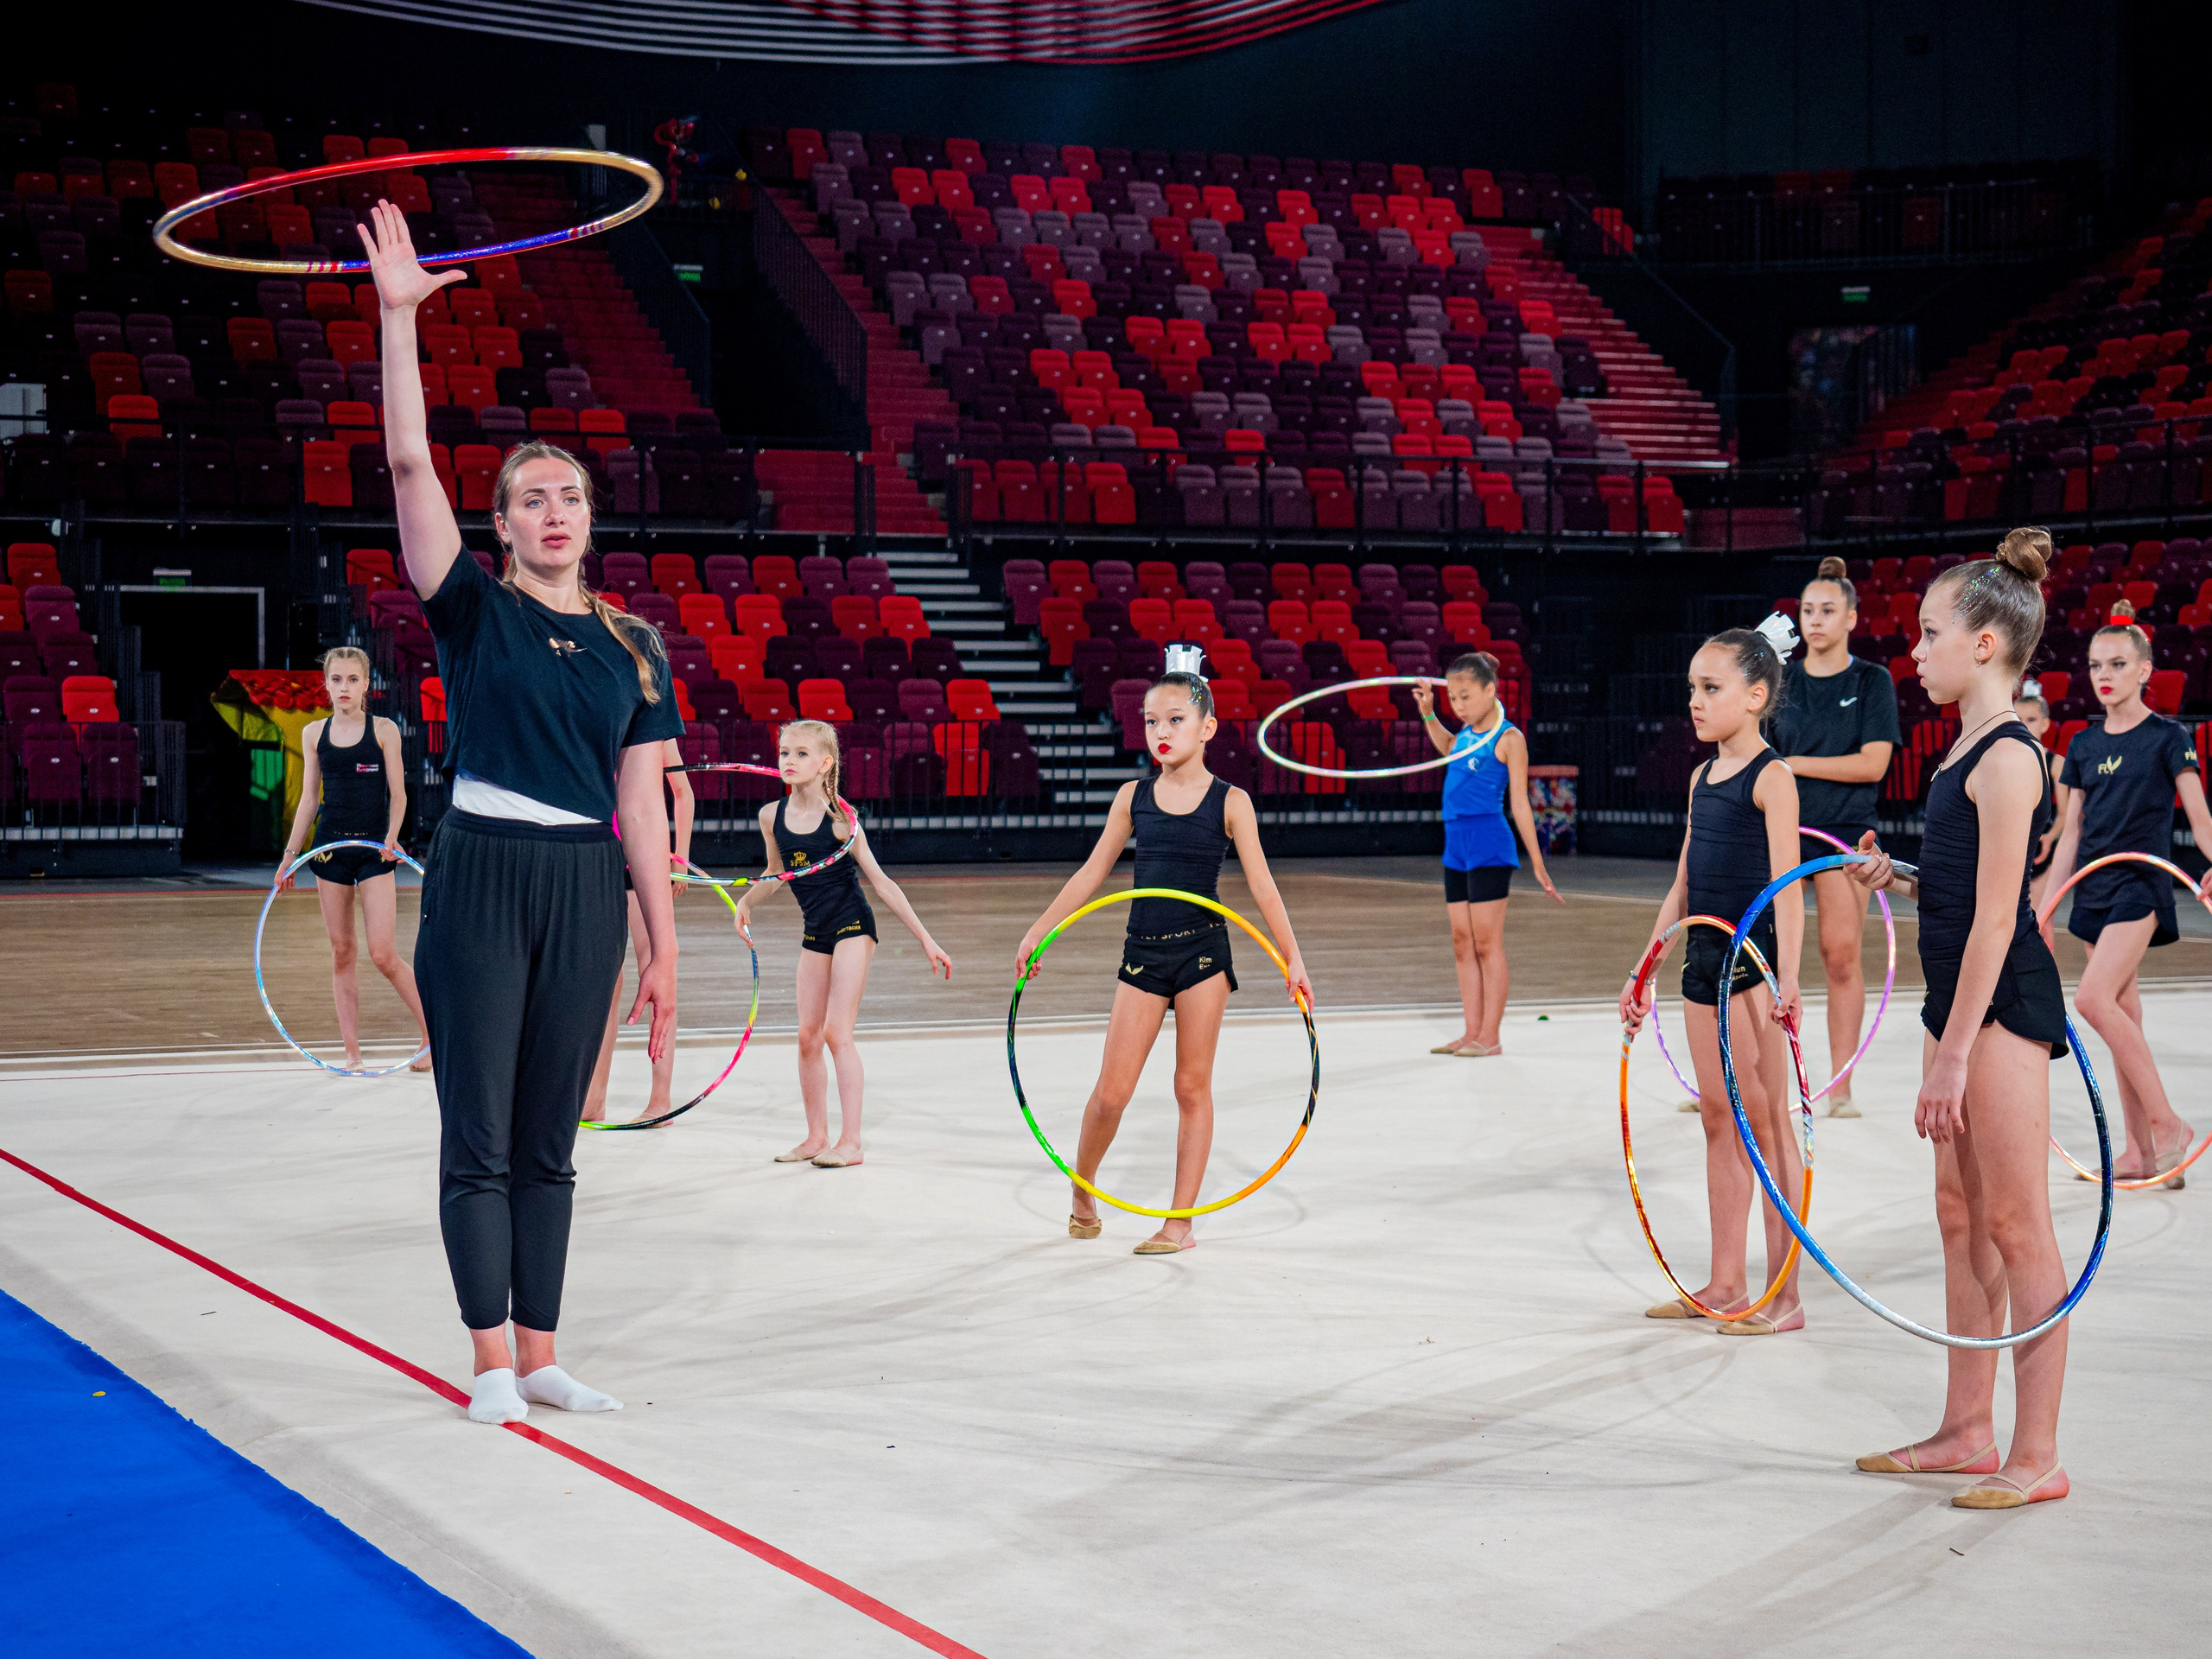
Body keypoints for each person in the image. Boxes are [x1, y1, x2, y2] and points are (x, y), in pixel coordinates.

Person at [366, 200, 682, 1426]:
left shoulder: (636, 645)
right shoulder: (472, 607)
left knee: (554, 1138)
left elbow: (642, 805)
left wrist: (661, 946)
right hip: (484, 876)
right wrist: (400, 319)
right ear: (499, 526)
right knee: (481, 1135)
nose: (555, 511)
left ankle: (543, 1355)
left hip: (586, 888)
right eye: (532, 498)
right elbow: (407, 463)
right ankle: (489, 1363)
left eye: (571, 497)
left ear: (591, 520)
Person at [1847, 526, 2075, 1509]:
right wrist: (1893, 874)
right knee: (1959, 1218)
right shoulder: (1964, 751)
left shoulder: (2010, 758)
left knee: (2018, 1223)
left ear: (1984, 644)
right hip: (1955, 1004)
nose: (1917, 649)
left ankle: (2039, 1453)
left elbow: (1997, 918)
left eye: (1930, 632)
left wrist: (1950, 1057)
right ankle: (1966, 1429)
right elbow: (1954, 888)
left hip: (2001, 1009)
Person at [1017, 671, 1313, 1255]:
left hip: (1203, 952)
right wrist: (1038, 930)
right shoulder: (1133, 797)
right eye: (1152, 721)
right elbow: (1092, 872)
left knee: (1190, 1087)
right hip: (1144, 952)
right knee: (1111, 1092)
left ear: (1207, 728)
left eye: (1176, 719)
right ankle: (1083, 1187)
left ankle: (1180, 1221)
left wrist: (1293, 959)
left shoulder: (1232, 802)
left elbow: (1263, 885)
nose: (1161, 731)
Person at [1620, 620, 1806, 1335]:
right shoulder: (1702, 778)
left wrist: (1789, 978)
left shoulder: (1773, 778)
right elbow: (1684, 883)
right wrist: (1645, 967)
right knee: (1718, 1119)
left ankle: (1785, 1296)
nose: (1694, 701)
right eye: (1692, 688)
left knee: (1767, 1125)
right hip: (1702, 965)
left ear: (1755, 695)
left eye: (1710, 687)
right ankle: (1726, 1282)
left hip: (1753, 973)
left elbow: (1789, 887)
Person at [2041, 601, 2212, 1186]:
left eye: (2117, 664)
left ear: (2144, 670)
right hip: (2092, 891)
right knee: (2124, 1017)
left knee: (2092, 1000)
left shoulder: (2168, 737)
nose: (2104, 675)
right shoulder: (2083, 744)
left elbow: (2201, 819)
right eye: (2095, 665)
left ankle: (2168, 1125)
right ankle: (2141, 1153)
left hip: (2140, 886)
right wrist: (2046, 907)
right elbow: (2071, 834)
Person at [733, 719, 952, 1168]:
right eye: (784, 752)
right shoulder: (771, 816)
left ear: (824, 764)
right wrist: (747, 901)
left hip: (853, 926)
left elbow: (883, 883)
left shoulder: (841, 822)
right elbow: (777, 872)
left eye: (801, 754)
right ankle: (816, 1137)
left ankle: (851, 1143)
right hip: (815, 930)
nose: (788, 761)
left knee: (837, 1032)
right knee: (807, 1036)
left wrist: (927, 940)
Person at [1772, 556, 1901, 1118]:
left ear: (1851, 617)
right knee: (1765, 953)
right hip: (1781, 827)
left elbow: (1873, 764)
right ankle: (1749, 1077)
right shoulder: (1780, 681)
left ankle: (1840, 1087)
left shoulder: (1870, 680)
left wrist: (1796, 764)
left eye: (1828, 610)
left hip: (1844, 830)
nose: (1816, 620)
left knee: (1840, 954)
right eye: (1808, 611)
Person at [276, 645, 431, 1072]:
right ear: (326, 684)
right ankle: (352, 1052)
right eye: (336, 679)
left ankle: (432, 1036)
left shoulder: (384, 730)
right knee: (342, 950)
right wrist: (290, 856)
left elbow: (399, 795)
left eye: (352, 679)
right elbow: (309, 800)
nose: (344, 687)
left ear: (366, 685)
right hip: (331, 851)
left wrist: (392, 838)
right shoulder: (314, 734)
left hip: (375, 851)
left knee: (382, 953)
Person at [1410, 652, 1561, 1057]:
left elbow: (1520, 803)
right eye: (1452, 698)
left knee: (1486, 944)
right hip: (1455, 845)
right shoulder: (1464, 733)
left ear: (1489, 691)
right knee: (1462, 942)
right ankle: (1470, 1031)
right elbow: (1450, 748)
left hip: (1488, 845)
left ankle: (1490, 1036)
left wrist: (1538, 862)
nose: (1458, 706)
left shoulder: (1509, 739)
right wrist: (1429, 714)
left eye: (1465, 697)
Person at [582, 736, 694, 1125]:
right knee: (605, 979)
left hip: (642, 859)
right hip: (598, 855)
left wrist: (680, 857)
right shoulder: (597, 718)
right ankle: (594, 1100)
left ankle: (660, 1100)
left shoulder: (652, 725)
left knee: (657, 968)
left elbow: (682, 791)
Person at [2012, 681, 2063, 917]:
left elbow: (2065, 815)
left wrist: (2049, 837)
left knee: (2040, 918)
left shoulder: (2056, 763)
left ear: (2045, 724)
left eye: (2031, 720)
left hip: (2042, 846)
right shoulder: (2001, 761)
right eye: (2018, 719)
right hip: (2010, 845)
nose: (2023, 725)